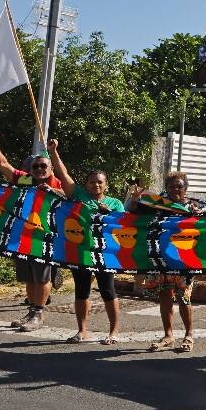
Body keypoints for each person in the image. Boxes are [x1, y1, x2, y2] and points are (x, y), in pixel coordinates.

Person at [47, 138, 124, 345]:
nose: (96, 184)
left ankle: (113, 331)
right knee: (81, 290)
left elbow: (123, 227)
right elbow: (63, 175)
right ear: (86, 184)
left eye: (100, 181)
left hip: (104, 254)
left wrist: (109, 215)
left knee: (108, 290)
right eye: (92, 181)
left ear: (106, 184)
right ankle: (82, 331)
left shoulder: (115, 203)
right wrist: (53, 151)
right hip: (80, 251)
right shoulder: (78, 195)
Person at [0, 130, 64, 332]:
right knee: (29, 278)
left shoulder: (56, 183)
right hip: (22, 238)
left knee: (42, 277)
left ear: (51, 168)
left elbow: (74, 197)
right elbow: (3, 166)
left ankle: (39, 313)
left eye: (43, 166)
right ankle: (32, 311)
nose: (38, 169)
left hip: (46, 238)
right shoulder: (25, 180)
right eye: (35, 166)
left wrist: (53, 191)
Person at [128, 171, 201, 353]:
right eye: (171, 186)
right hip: (159, 258)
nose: (175, 189)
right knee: (164, 296)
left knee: (184, 298)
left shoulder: (194, 206)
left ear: (186, 188)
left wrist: (198, 215)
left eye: (179, 186)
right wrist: (135, 199)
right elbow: (132, 212)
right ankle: (168, 335)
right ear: (166, 188)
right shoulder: (156, 204)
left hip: (182, 260)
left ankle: (188, 335)